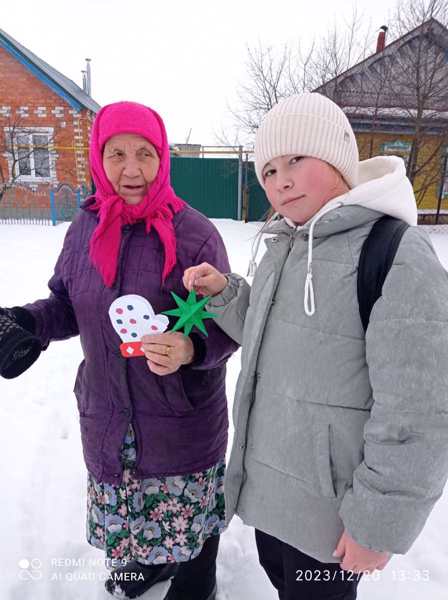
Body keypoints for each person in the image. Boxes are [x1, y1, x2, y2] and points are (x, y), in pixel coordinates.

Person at [182, 92, 448, 600]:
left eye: (297, 160)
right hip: (274, 496)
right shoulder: (286, 244)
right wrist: (226, 293)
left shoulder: (395, 253)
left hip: (331, 512)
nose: (280, 180)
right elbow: (270, 335)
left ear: (338, 159)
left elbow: (421, 410)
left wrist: (378, 522)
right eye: (268, 170)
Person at [2, 101, 238, 600]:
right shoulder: (85, 228)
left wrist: (191, 348)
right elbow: (68, 305)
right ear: (98, 158)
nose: (131, 169)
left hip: (181, 418)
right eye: (117, 154)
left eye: (145, 154)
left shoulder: (195, 234)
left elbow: (229, 324)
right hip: (110, 412)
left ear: (163, 159)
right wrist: (27, 322)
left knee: (190, 518)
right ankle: (147, 568)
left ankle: (199, 582)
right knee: (131, 513)